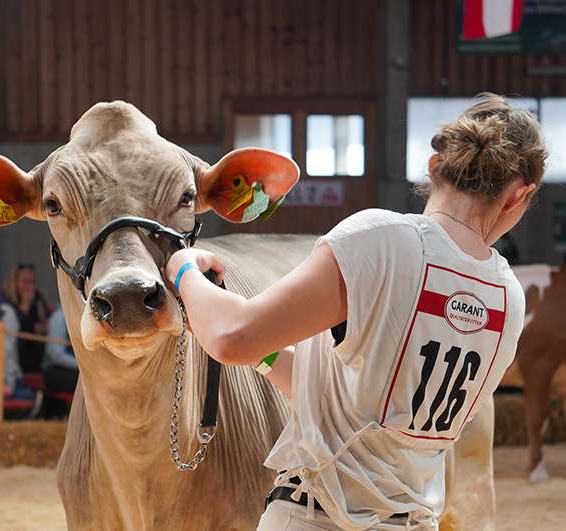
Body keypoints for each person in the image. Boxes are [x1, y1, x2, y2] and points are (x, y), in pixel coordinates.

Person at [164, 94, 544, 530]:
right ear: (519, 196)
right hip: (411, 520)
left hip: (313, 517)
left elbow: (231, 337)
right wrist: (265, 355)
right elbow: (360, 406)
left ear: (434, 165)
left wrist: (182, 269)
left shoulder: (381, 239)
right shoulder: (507, 298)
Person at [3, 264, 50, 373]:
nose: (29, 286)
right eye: (25, 282)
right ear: (15, 283)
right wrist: (25, 307)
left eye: (32, 282)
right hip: (17, 352)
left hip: (36, 353)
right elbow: (14, 329)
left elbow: (45, 321)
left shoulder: (38, 299)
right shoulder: (7, 302)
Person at [42, 306, 77, 416]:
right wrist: (82, 365)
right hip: (55, 371)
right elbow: (56, 355)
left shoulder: (75, 314)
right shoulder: (60, 318)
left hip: (72, 369)